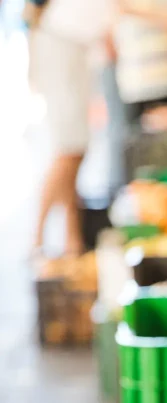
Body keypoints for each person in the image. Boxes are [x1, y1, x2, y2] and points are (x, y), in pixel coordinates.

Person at [27, 0, 115, 256]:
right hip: (63, 46)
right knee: (69, 147)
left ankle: (72, 238)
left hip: (73, 47)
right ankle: (37, 239)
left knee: (75, 150)